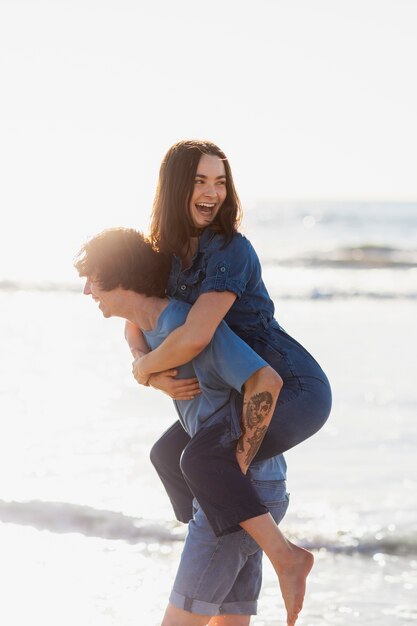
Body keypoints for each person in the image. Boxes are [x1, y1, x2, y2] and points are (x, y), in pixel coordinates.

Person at [74, 227, 312, 626]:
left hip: (238, 491)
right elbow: (135, 333)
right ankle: (278, 553)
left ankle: (287, 557)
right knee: (228, 622)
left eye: (92, 277)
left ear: (118, 273)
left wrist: (237, 463)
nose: (86, 291)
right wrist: (146, 372)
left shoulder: (187, 326)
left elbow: (266, 381)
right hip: (244, 492)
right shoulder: (149, 329)